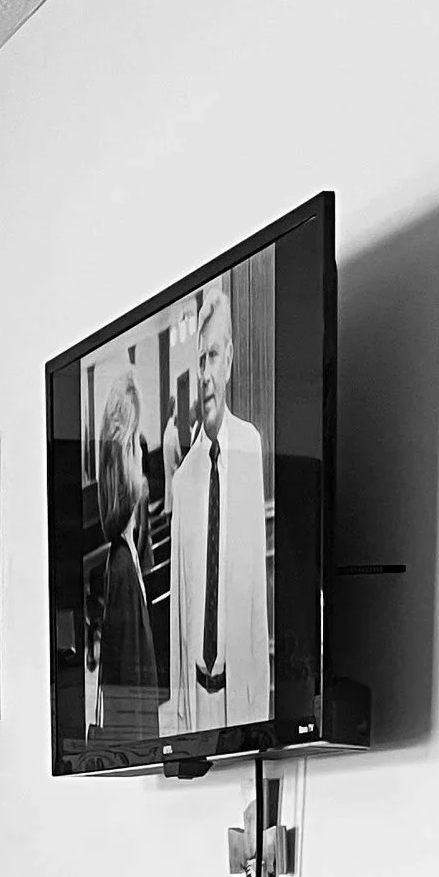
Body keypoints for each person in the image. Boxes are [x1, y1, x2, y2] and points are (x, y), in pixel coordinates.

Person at [166, 281, 271, 733]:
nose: (206, 373)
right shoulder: (184, 480)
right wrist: (178, 723)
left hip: (240, 696)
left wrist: (264, 718)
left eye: (214, 356)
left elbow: (255, 603)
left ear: (229, 359)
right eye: (200, 360)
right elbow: (177, 618)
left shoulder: (250, 448)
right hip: (197, 700)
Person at [94, 375, 160, 734]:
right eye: (136, 443)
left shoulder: (127, 557)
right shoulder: (120, 567)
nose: (141, 453)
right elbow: (129, 712)